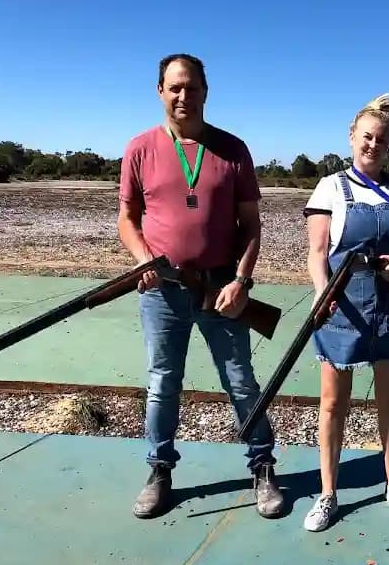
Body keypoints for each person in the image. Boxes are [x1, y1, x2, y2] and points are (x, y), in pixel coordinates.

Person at [118, 53, 283, 520]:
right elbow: (127, 221)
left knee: (241, 382)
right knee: (162, 383)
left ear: (206, 91)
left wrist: (242, 281)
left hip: (221, 288)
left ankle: (263, 467)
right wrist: (144, 260)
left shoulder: (233, 149)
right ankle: (160, 471)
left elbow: (251, 225)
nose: (183, 96)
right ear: (160, 91)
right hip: (161, 291)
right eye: (174, 87)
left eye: (191, 87)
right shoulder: (140, 148)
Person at [300, 93, 389, 532]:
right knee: (333, 404)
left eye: (381, 139)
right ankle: (328, 493)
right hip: (341, 310)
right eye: (366, 137)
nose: (372, 145)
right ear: (351, 137)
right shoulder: (330, 188)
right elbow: (317, 251)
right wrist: (324, 293)